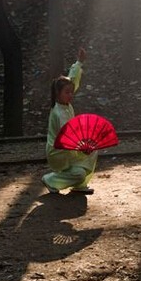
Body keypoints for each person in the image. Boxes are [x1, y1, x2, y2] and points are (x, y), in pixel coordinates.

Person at [42, 47, 97, 194]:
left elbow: (72, 81)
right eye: (67, 93)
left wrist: (79, 62)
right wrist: (82, 144)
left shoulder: (65, 104)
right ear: (57, 93)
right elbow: (68, 137)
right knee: (79, 171)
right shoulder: (60, 113)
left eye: (71, 92)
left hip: (70, 149)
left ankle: (80, 185)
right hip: (60, 152)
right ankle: (50, 180)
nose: (71, 95)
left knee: (92, 151)